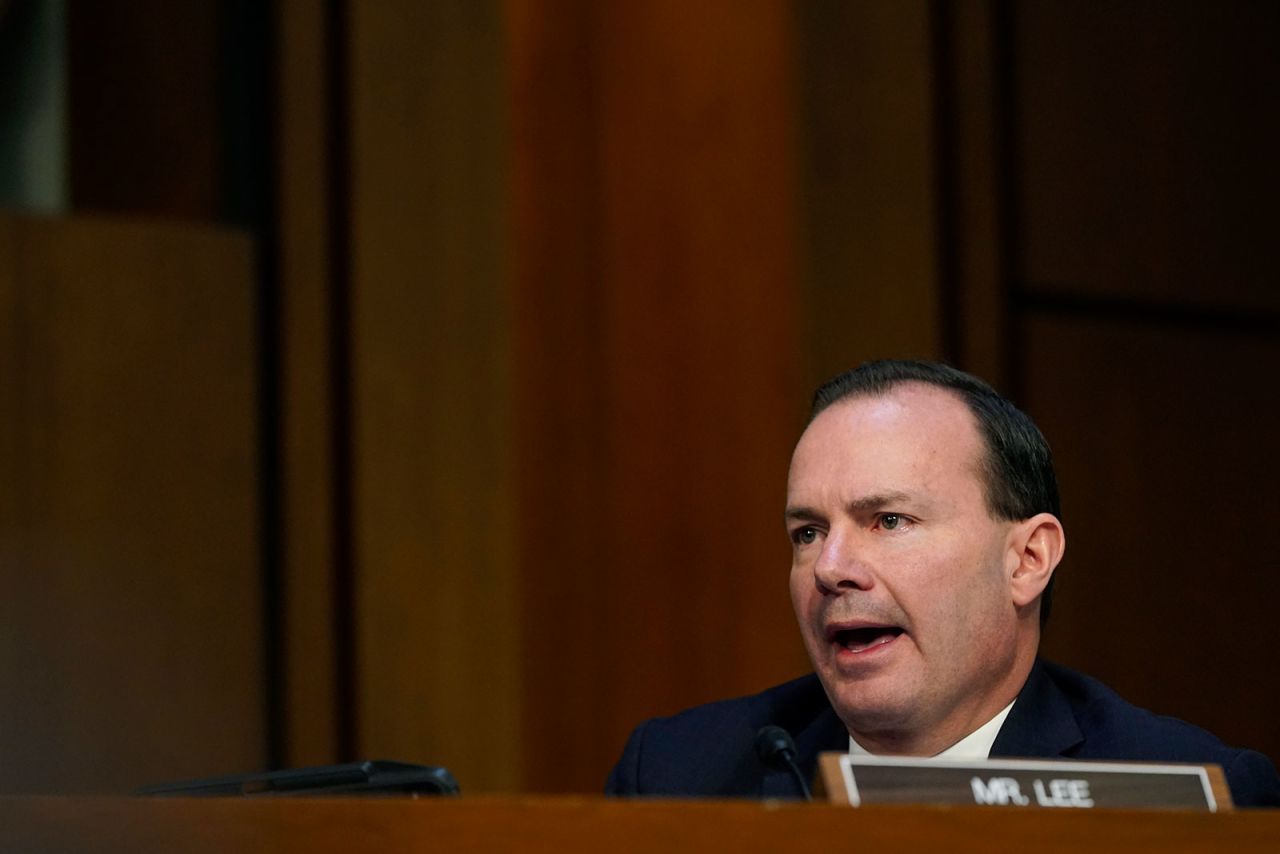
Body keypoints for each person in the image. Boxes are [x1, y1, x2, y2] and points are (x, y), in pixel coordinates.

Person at [606, 360, 1280, 807]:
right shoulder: (680, 777)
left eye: (888, 520)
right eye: (807, 532)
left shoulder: (1182, 791)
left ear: (1027, 560)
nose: (831, 566)